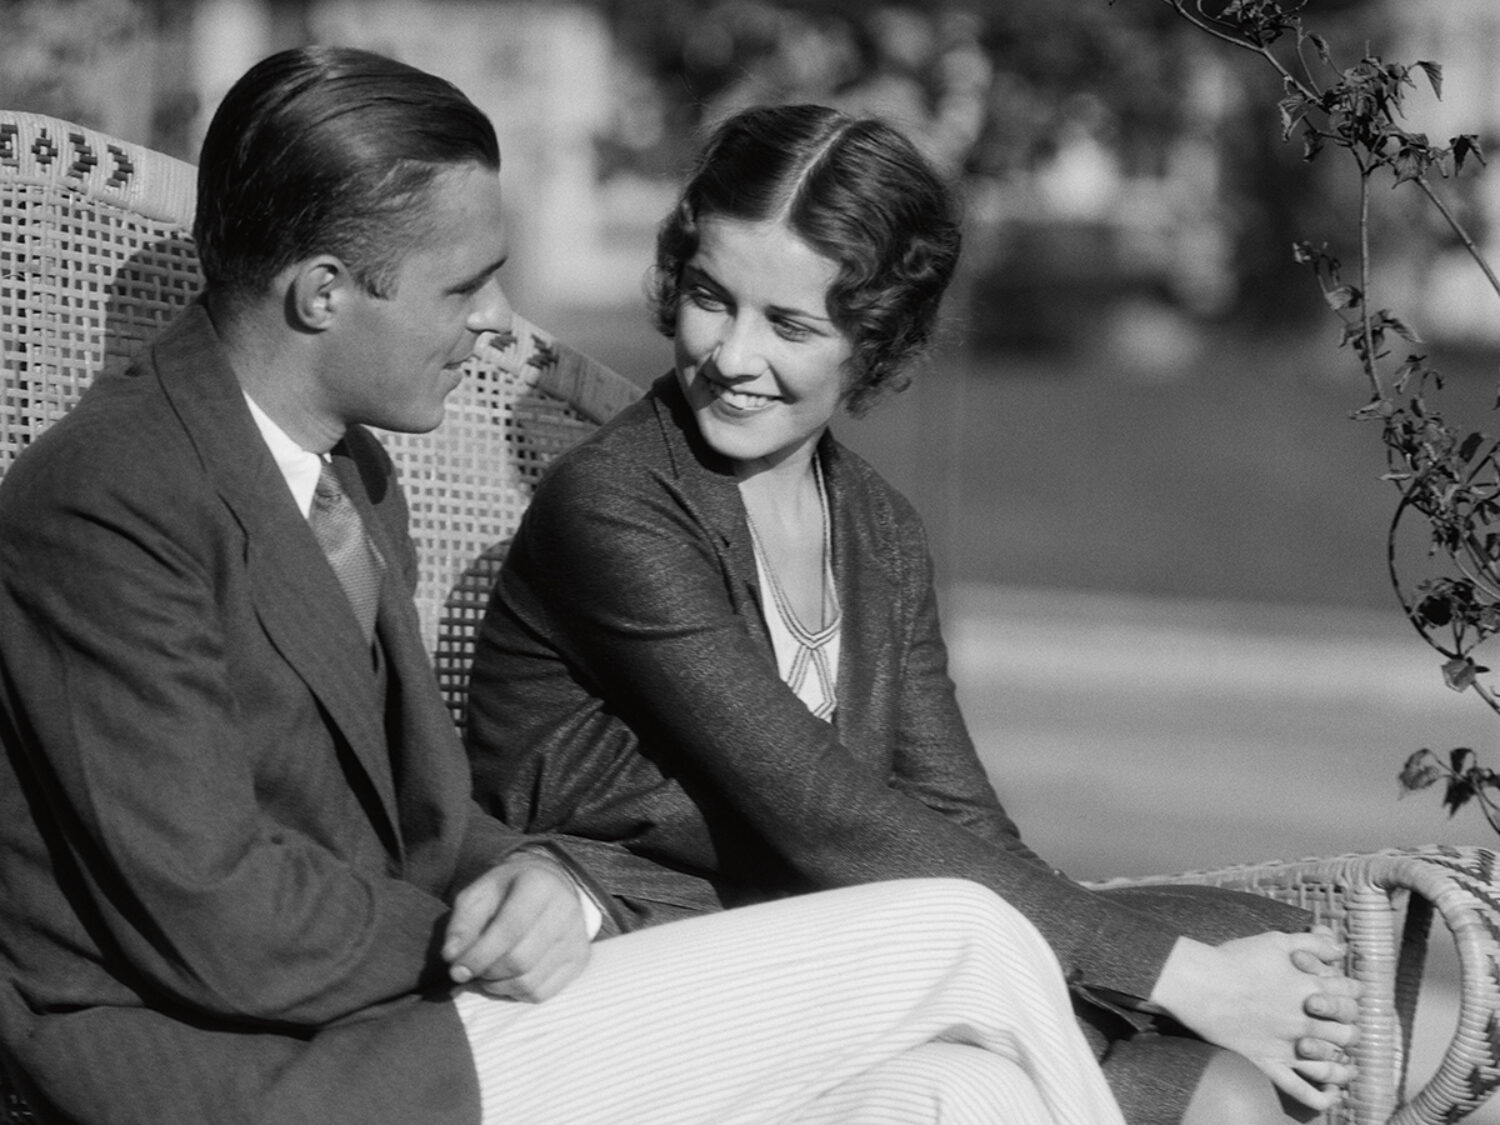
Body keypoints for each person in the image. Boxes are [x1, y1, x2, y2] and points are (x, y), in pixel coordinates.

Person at [0, 47, 1131, 1125]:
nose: (496, 321)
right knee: (963, 940)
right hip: (249, 1075)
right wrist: (481, 933)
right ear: (323, 293)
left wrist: (549, 887)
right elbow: (214, 917)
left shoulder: (352, 476)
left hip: (403, 1022)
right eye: (465, 287)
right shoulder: (108, 503)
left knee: (957, 1099)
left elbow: (418, 817)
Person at [464, 103, 1364, 1125]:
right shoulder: (618, 503)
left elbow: (957, 816)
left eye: (791, 325)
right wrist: (1179, 980)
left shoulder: (878, 530)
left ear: (874, 340)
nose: (730, 355)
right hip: (638, 976)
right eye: (713, 298)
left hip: (843, 957)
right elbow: (821, 810)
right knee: (1183, 1034)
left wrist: (1119, 978)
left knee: (1258, 1042)